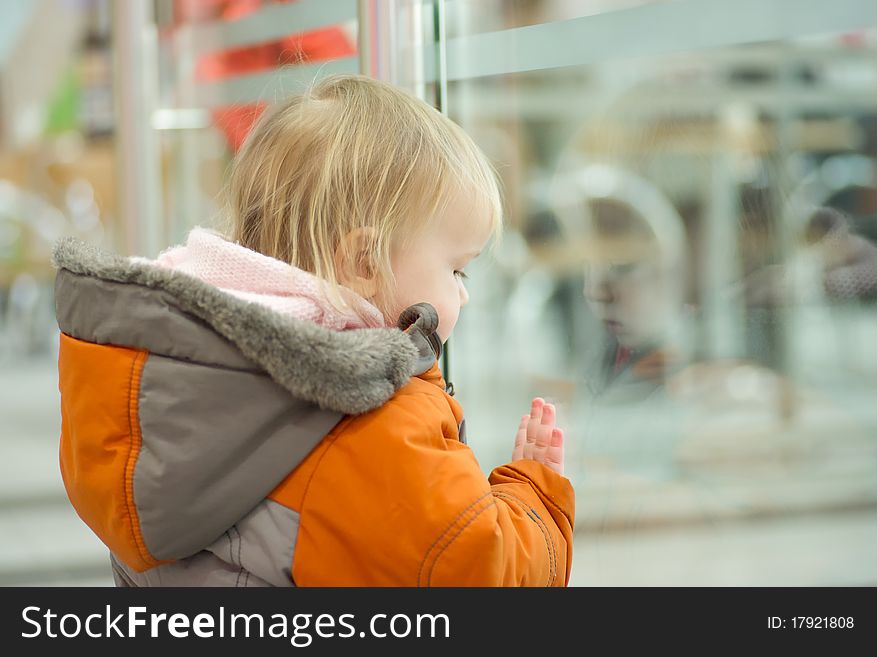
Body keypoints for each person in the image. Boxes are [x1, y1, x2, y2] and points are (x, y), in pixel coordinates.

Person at [54, 74, 574, 587]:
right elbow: (482, 575)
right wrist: (535, 492)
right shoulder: (363, 420)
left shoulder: (186, 380)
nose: (463, 293)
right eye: (457, 270)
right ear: (364, 261)